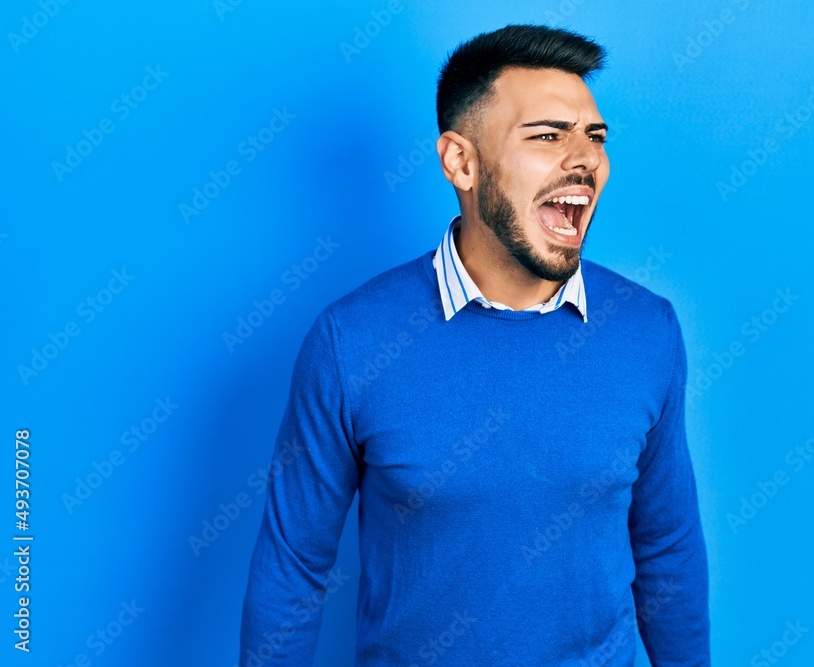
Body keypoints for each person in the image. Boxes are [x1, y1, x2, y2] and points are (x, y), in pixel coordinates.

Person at [239, 23, 710, 666]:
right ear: (461, 161)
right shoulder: (350, 343)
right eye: (547, 135)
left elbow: (668, 551)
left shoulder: (646, 330)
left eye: (594, 136)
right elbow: (292, 574)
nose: (585, 158)